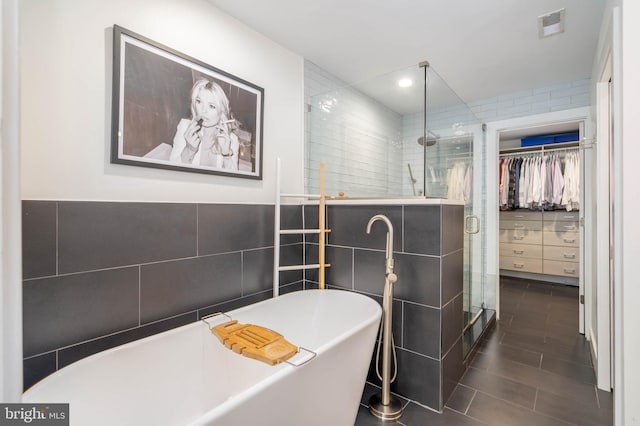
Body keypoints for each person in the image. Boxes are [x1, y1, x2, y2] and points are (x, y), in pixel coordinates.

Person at [169, 78, 239, 170]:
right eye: (199, 101)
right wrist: (189, 150)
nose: (203, 110)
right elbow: (172, 172)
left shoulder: (232, 140)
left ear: (222, 112)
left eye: (211, 106)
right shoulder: (184, 127)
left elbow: (233, 182)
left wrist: (226, 154)